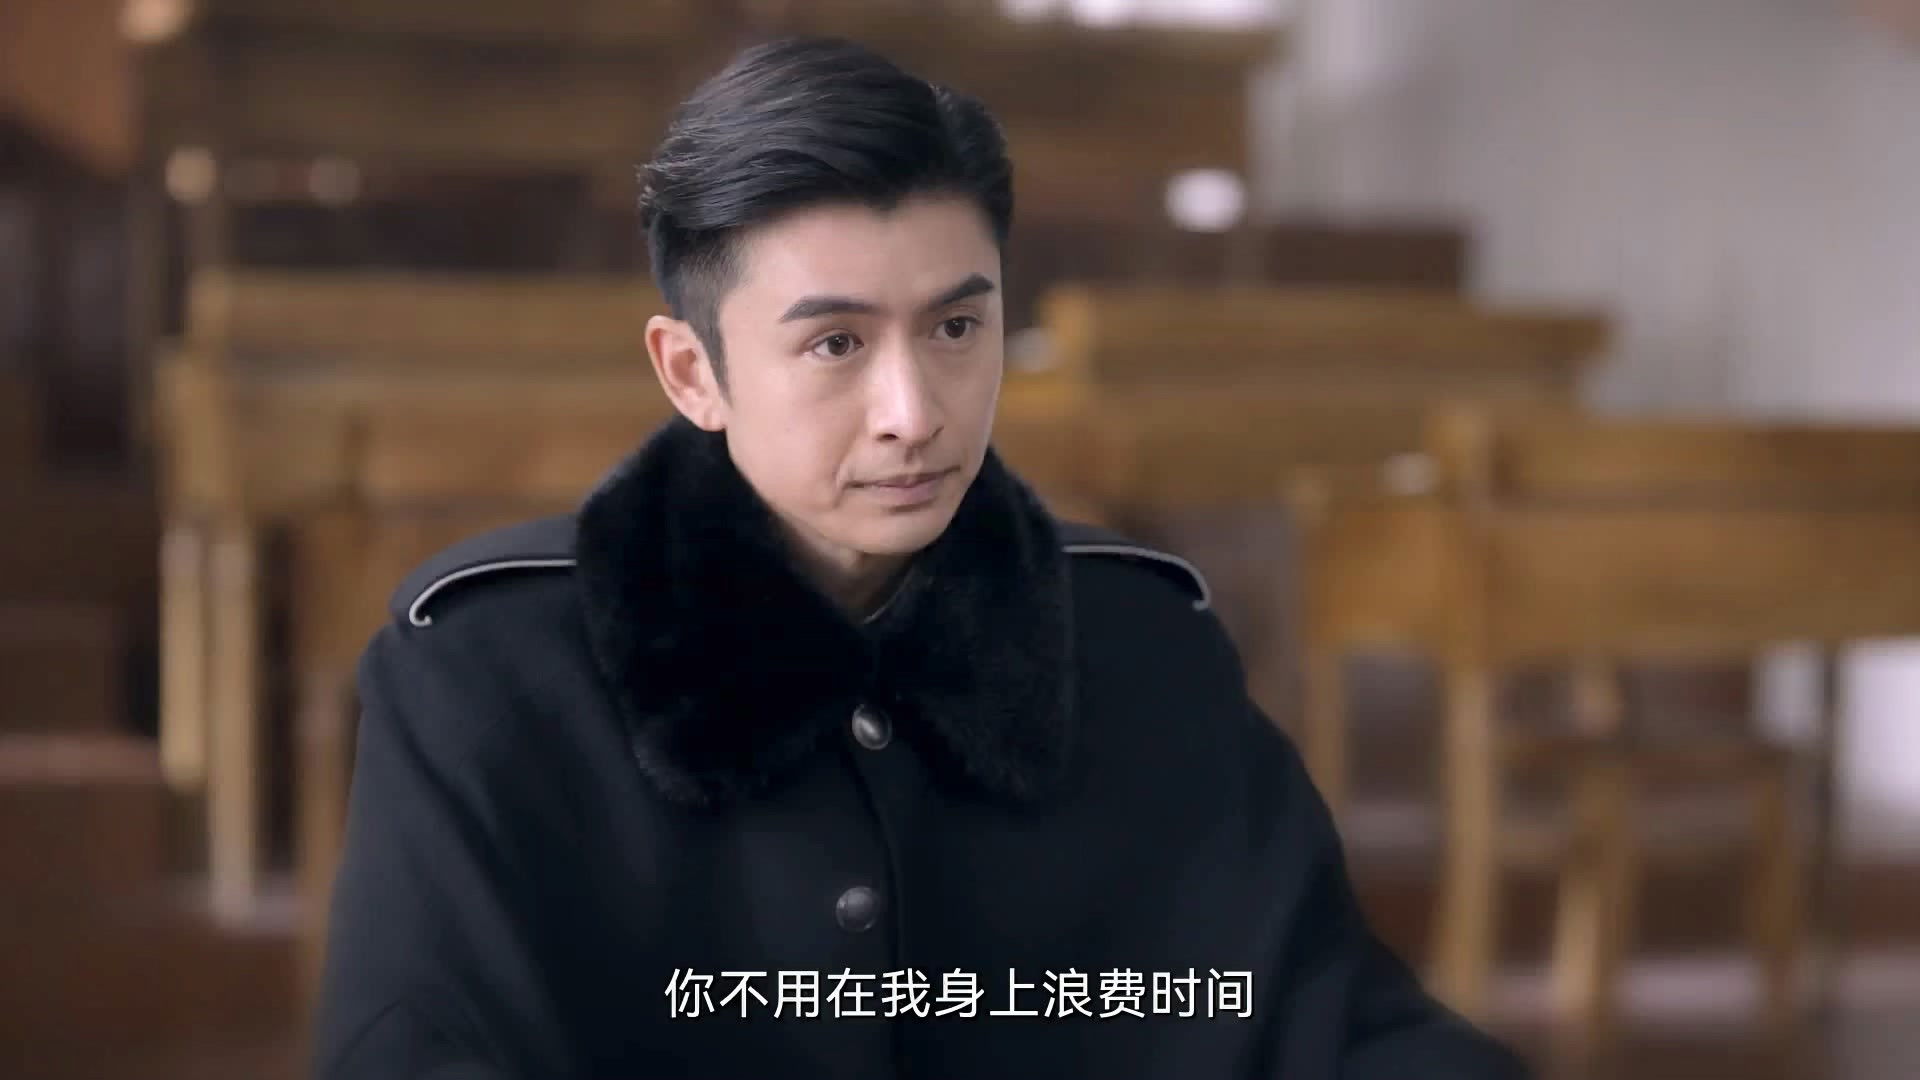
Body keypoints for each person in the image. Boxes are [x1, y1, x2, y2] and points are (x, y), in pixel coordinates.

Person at [311, 35, 1528, 1080]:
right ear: (692, 373)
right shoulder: (484, 674)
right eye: (835, 344)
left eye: (956, 326)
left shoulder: (1144, 644)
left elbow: (1338, 1028)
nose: (914, 412)